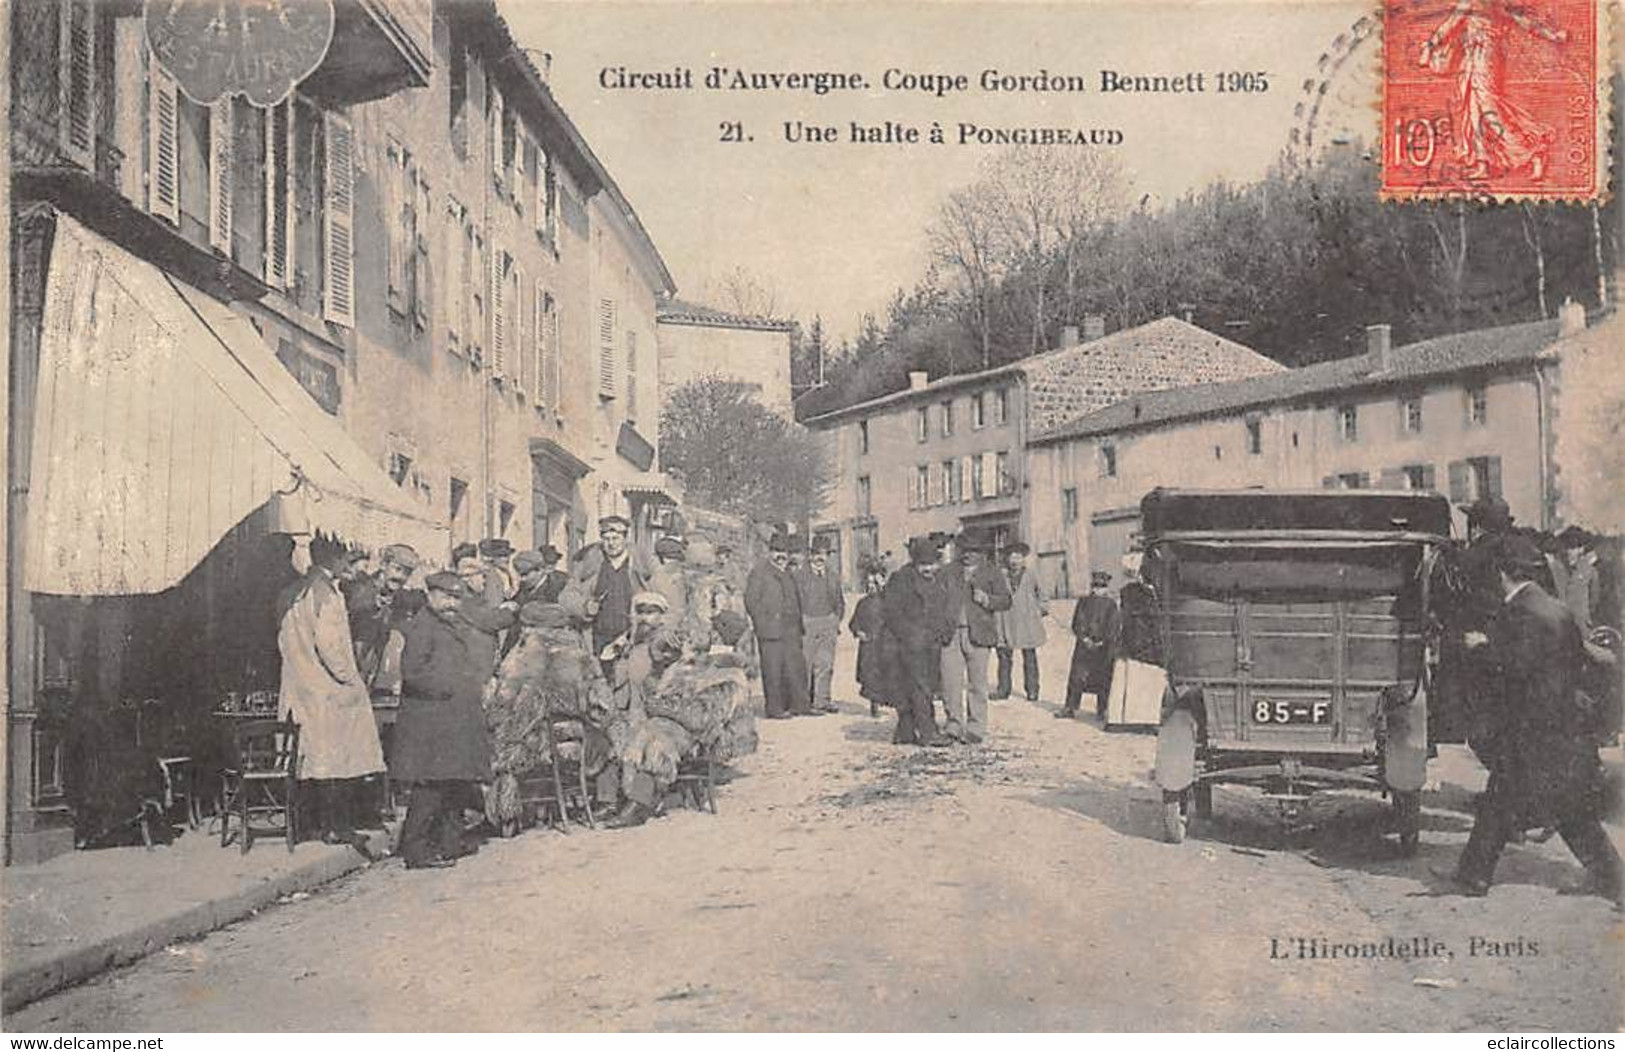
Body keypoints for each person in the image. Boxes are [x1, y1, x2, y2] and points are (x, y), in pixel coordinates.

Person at [1441, 536, 1622, 902]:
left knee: (1568, 812)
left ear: (1504, 574)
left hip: (1536, 728)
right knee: (1504, 801)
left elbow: (1516, 667)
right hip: (1557, 724)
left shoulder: (1522, 610)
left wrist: (1482, 648)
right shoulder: (1553, 607)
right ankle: (1473, 876)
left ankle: (1616, 882)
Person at [277, 535, 387, 848]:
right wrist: (350, 680)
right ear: (334, 559)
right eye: (346, 559)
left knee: (309, 760)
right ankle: (335, 826)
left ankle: (309, 824)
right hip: (328, 690)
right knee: (338, 761)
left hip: (300, 686)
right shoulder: (327, 595)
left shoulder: (292, 592)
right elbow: (330, 646)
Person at [394, 571, 496, 870]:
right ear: (431, 595)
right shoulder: (423, 627)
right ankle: (415, 849)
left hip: (451, 719)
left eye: (456, 597)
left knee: (455, 782)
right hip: (432, 721)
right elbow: (412, 672)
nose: (452, 603)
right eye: (447, 597)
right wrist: (449, 687)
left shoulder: (446, 624)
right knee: (430, 787)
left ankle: (450, 843)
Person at [938, 533, 1012, 744]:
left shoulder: (992, 572)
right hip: (950, 634)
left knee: (977, 684)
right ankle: (953, 724)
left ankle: (976, 727)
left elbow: (1006, 601)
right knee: (950, 682)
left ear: (982, 552)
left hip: (979, 634)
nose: (969, 554)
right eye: (965, 550)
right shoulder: (948, 571)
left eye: (974, 551)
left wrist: (988, 600)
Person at [562, 515, 655, 678]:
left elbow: (660, 598)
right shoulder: (591, 565)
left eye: (615, 538)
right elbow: (567, 595)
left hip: (631, 635)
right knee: (598, 681)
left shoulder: (641, 565)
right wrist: (584, 606)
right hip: (597, 635)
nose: (611, 544)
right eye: (606, 539)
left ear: (625, 538)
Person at [882, 537, 952, 747]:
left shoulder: (939, 580)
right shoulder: (901, 579)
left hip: (931, 642)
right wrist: (911, 635)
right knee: (921, 687)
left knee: (921, 686)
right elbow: (891, 612)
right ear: (915, 563)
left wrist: (943, 632)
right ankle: (928, 732)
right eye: (923, 564)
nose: (928, 568)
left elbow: (943, 609)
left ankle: (905, 732)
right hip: (909, 644)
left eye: (932, 564)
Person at [745, 534, 814, 719]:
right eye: (776, 551)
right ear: (769, 552)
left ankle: (800, 706)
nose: (780, 555)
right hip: (771, 631)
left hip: (791, 629)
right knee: (773, 670)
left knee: (795, 668)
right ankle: (775, 709)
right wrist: (764, 623)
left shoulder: (789, 573)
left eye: (783, 551)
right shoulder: (759, 572)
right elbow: (751, 602)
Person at [1061, 571, 1121, 720]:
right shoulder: (1083, 602)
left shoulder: (1111, 605)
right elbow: (1077, 622)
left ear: (1106, 588)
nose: (1098, 589)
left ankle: (1102, 710)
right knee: (1077, 677)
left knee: (1104, 678)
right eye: (1095, 586)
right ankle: (1070, 707)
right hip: (1084, 647)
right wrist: (1084, 639)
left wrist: (1104, 641)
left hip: (1104, 648)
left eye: (1101, 586)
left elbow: (1113, 625)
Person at [797, 539, 846, 713]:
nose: (820, 557)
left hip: (828, 622)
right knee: (806, 663)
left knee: (825, 663)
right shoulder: (801, 576)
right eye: (817, 553)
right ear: (811, 555)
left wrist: (836, 619)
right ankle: (804, 702)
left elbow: (840, 600)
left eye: (824, 554)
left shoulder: (833, 575)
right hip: (807, 622)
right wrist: (801, 620)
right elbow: (795, 601)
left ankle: (822, 700)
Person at [994, 542, 1047, 702]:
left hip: (1026, 620)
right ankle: (1003, 689)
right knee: (1004, 656)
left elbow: (1042, 594)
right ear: (1007, 559)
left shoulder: (1031, 574)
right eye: (1012, 557)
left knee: (1029, 656)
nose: (1015, 561)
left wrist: (1041, 608)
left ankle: (1032, 690)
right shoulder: (1001, 575)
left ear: (1023, 559)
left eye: (1018, 557)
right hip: (1005, 619)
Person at [849, 562, 894, 718]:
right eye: (868, 584)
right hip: (868, 646)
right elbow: (853, 623)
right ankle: (873, 705)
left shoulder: (888, 601)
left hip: (884, 644)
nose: (871, 587)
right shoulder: (863, 603)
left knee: (885, 674)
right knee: (870, 677)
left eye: (875, 583)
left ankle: (886, 701)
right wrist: (858, 632)